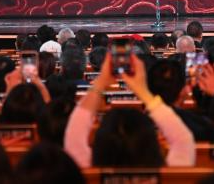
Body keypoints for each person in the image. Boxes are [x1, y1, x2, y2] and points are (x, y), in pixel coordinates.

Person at [64, 53, 195, 167]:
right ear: (154, 146)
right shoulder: (173, 174)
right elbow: (182, 139)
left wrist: (101, 82)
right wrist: (143, 91)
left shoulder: (84, 172)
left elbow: (75, 131)